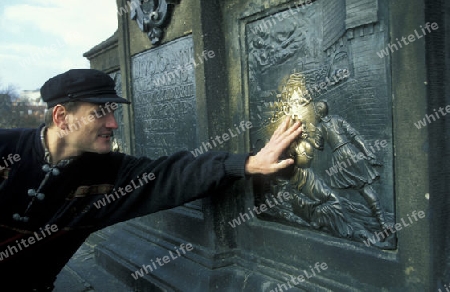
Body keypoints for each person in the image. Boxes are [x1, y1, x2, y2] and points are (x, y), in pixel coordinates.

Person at [0, 69, 302, 291]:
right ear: (61, 117)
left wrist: (248, 163)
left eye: (114, 113)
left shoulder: (109, 173)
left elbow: (172, 174)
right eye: (100, 114)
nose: (113, 123)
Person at [309, 101, 390, 230]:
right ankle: (382, 223)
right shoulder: (338, 119)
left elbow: (319, 146)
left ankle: (339, 221)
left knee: (337, 190)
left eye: (315, 111)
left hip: (339, 158)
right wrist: (367, 152)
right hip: (351, 152)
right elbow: (354, 135)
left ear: (319, 112)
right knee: (364, 188)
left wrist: (309, 137)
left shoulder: (319, 128)